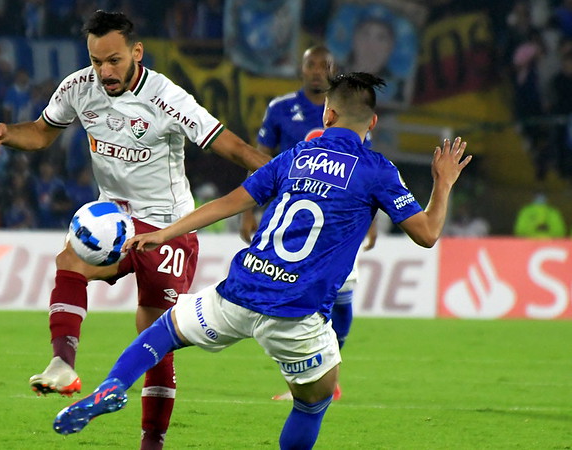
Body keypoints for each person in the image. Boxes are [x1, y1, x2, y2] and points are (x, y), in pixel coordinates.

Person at [52, 72, 471, 449]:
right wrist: (443, 183)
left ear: (327, 114)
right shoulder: (377, 170)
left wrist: (163, 233)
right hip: (296, 314)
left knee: (166, 330)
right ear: (372, 123)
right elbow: (428, 234)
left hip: (240, 290)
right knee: (315, 401)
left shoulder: (292, 158)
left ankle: (112, 385)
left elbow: (228, 203)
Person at [0, 10, 270, 449]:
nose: (104, 71)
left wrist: (288, 177)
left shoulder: (169, 98)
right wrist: (5, 134)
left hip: (170, 228)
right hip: (114, 219)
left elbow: (233, 147)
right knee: (69, 260)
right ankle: (63, 363)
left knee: (154, 333)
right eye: (96, 60)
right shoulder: (78, 87)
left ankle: (152, 441)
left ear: (136, 52)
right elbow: (40, 134)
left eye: (113, 60)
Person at [242, 45, 374, 400]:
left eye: (324, 65)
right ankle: (306, 378)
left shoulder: (350, 111)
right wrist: (247, 211)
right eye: (311, 64)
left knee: (342, 295)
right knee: (291, 300)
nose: (317, 71)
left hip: (339, 225)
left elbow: (366, 168)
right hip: (289, 226)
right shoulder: (281, 109)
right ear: (301, 70)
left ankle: (328, 374)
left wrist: (372, 221)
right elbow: (260, 160)